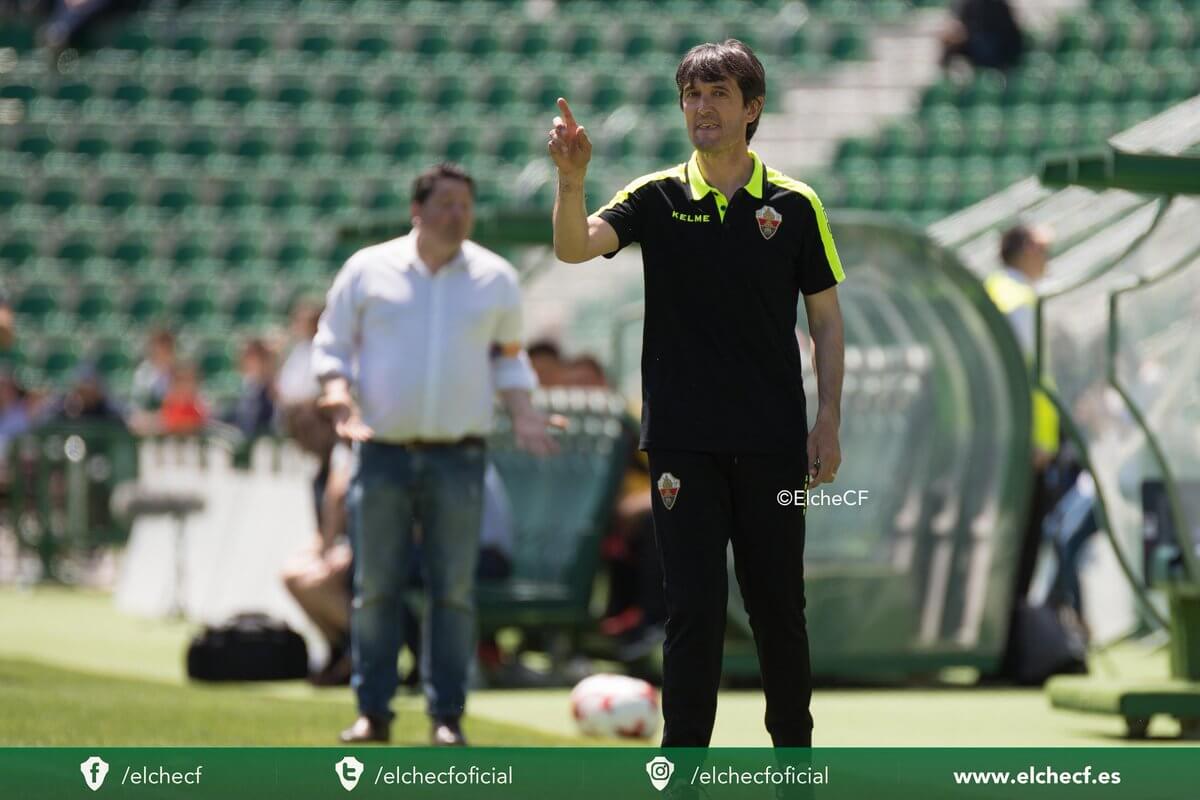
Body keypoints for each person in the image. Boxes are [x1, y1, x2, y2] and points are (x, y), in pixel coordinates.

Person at [549, 39, 846, 748]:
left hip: (775, 442)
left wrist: (828, 420)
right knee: (694, 611)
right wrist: (571, 180)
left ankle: (793, 770)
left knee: (779, 609)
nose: (702, 107)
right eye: (692, 94)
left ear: (753, 108)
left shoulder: (796, 204)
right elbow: (573, 247)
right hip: (682, 439)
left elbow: (827, 322)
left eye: (718, 93)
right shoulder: (654, 196)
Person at [312, 162, 557, 746]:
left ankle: (446, 717)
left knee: (453, 591)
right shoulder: (367, 269)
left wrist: (524, 412)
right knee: (375, 587)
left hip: (459, 456)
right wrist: (339, 400)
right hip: (383, 454)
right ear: (417, 210)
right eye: (445, 203)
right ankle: (373, 713)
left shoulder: (495, 278)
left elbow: (509, 358)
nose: (457, 214)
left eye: (465, 205)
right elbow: (332, 347)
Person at [939, 0, 1024, 73]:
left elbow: (1009, 39)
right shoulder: (961, 3)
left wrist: (962, 36)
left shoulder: (992, 4)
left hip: (997, 53)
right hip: (978, 48)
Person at [222, 337, 276, 440]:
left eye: (255, 359)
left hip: (262, 437)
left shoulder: (270, 386)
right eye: (249, 358)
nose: (250, 363)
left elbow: (265, 416)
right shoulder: (245, 383)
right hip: (240, 432)